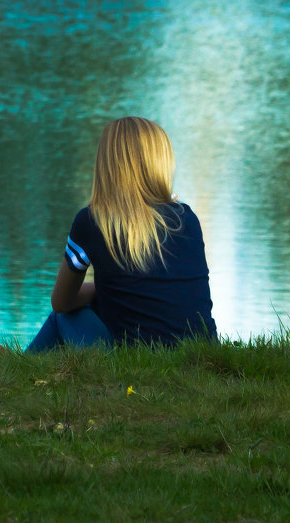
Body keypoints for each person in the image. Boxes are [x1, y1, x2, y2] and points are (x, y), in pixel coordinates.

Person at [25, 117, 217, 352]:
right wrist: (105, 290)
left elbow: (61, 302)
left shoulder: (93, 221)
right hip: (199, 354)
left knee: (61, 318)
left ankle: (14, 378)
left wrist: (98, 290)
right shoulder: (187, 219)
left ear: (107, 165)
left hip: (135, 359)